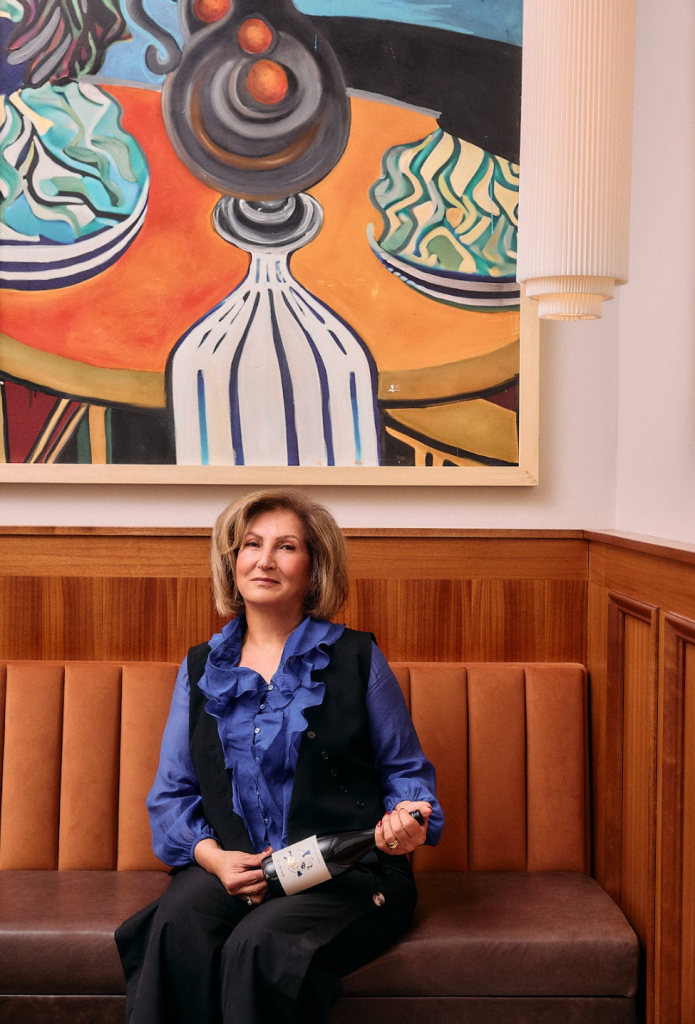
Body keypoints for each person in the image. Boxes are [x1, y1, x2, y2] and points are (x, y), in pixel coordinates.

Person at [115, 488, 443, 1024]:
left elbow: (407, 776)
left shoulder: (358, 657)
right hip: (233, 868)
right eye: (251, 544)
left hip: (345, 874)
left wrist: (407, 821)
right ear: (233, 562)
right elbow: (173, 793)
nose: (264, 559)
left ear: (314, 570)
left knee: (257, 946)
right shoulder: (200, 668)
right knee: (176, 927)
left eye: (286, 547)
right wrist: (215, 859)